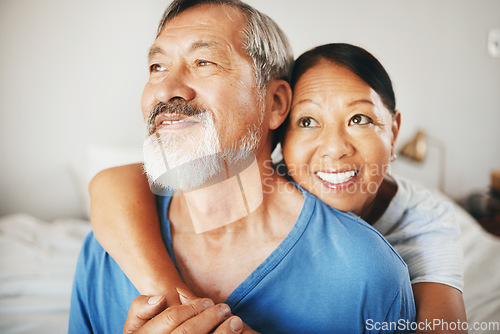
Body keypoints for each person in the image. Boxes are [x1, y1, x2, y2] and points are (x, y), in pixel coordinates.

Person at [69, 0, 416, 333]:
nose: (165, 90)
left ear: (275, 103)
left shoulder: (368, 273)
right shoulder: (104, 252)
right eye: (157, 67)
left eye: (204, 62)